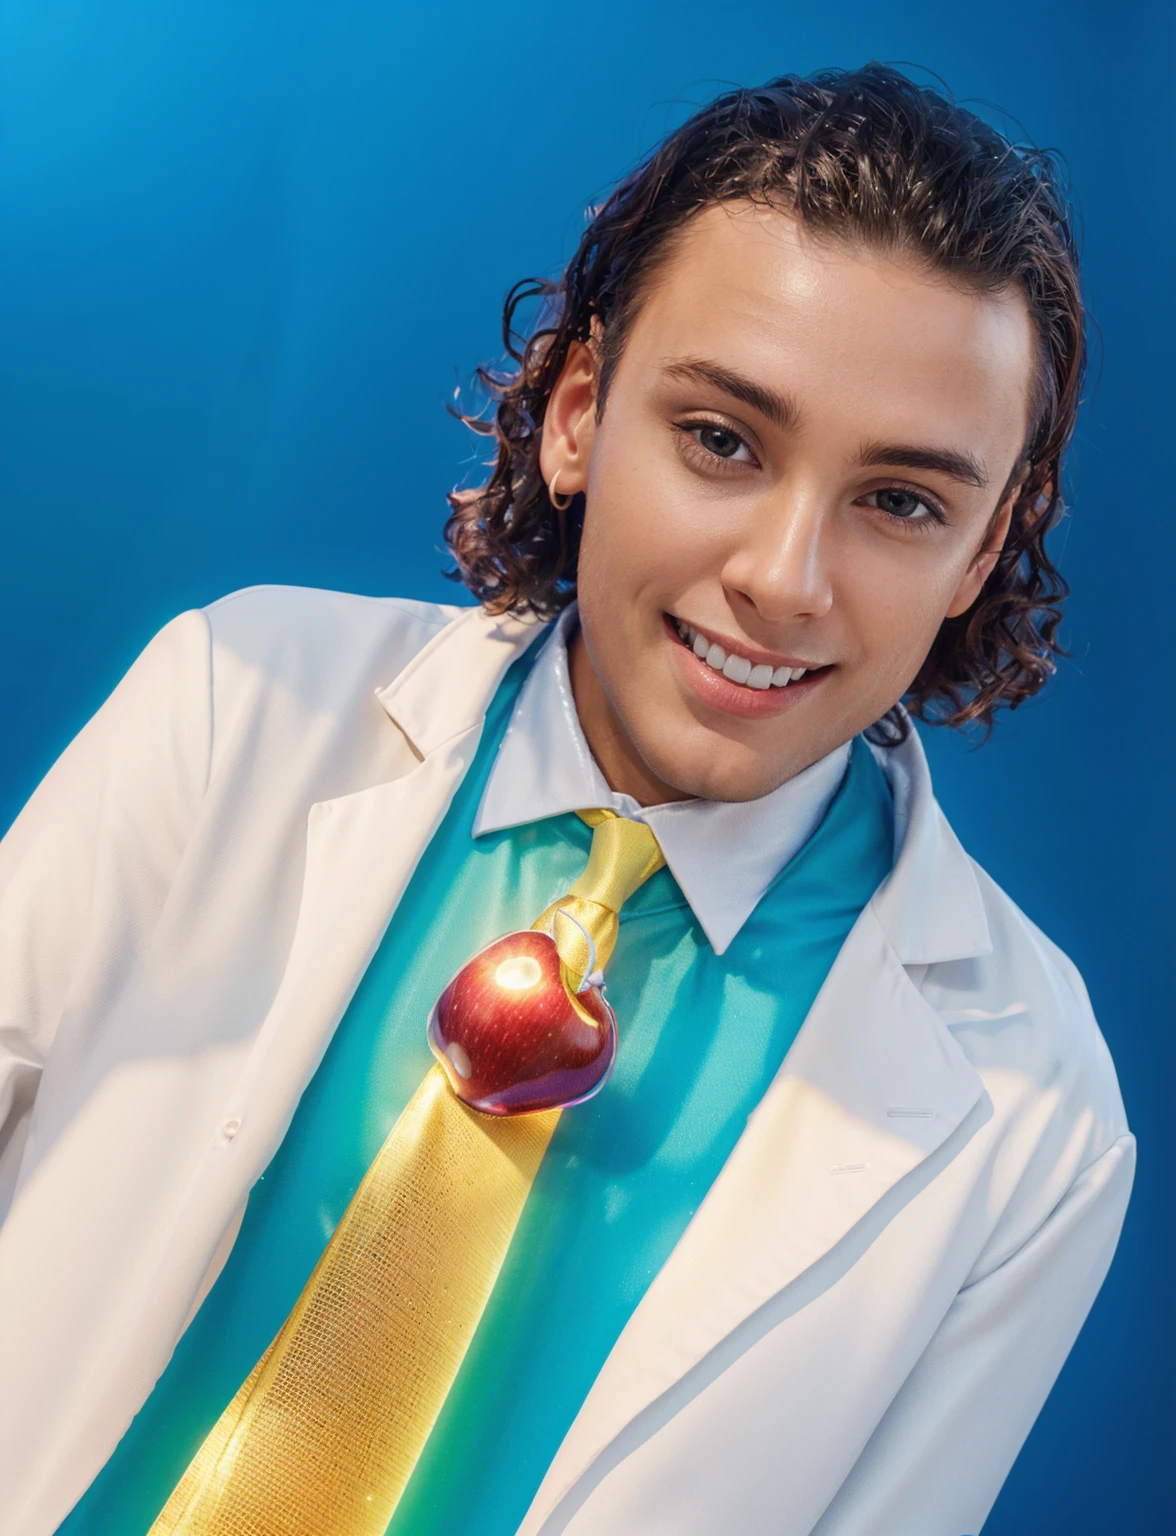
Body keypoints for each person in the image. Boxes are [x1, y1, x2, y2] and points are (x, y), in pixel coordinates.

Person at [0, 63, 1133, 1536]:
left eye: (902, 503)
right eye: (723, 441)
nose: (785, 582)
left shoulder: (1036, 1120)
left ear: (980, 559)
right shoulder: (229, 707)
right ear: (580, 414)